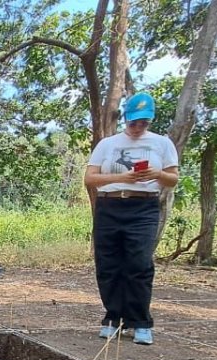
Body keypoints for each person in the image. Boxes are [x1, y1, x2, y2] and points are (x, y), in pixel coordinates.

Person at [83, 91, 179, 346]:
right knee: (108, 265)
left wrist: (157, 173)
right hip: (110, 205)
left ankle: (140, 322)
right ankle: (113, 317)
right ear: (126, 118)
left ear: (150, 121)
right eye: (133, 122)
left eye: (143, 122)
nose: (138, 127)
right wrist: (121, 178)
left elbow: (173, 178)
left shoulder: (162, 143)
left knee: (138, 263)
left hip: (143, 207)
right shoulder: (108, 144)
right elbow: (90, 178)